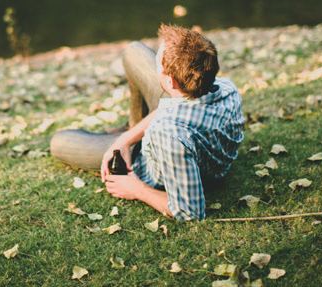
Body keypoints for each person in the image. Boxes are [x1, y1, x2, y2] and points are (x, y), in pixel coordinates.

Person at [49, 23, 245, 220]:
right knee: (134, 51)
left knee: (59, 141)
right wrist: (124, 140)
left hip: (146, 158)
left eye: (158, 63)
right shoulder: (226, 87)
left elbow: (190, 212)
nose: (155, 65)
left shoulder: (169, 134)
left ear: (171, 82)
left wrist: (136, 188)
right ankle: (129, 129)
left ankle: (117, 141)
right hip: (181, 126)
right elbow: (173, 107)